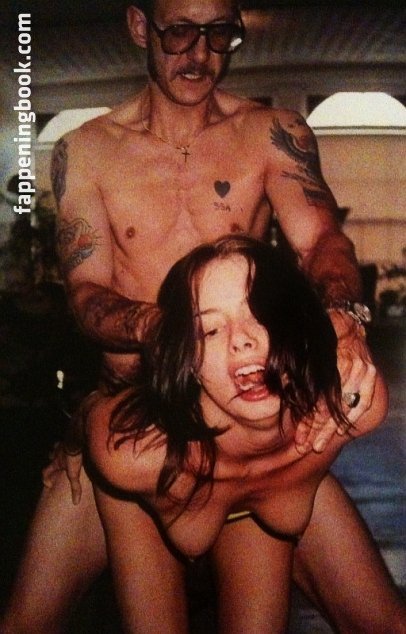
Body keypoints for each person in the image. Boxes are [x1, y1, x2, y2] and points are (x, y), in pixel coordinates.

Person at [1, 0, 401, 632]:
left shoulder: (272, 133)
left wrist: (343, 317)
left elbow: (323, 240)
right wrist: (169, 336)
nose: (200, 53)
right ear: (140, 27)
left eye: (220, 34)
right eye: (180, 32)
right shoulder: (87, 149)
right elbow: (86, 295)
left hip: (254, 432)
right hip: (142, 431)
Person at [87, 234, 391, 634]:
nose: (241, 339)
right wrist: (80, 426)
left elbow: (325, 240)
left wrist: (347, 325)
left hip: (257, 503)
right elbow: (96, 419)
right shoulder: (131, 450)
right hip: (146, 490)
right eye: (210, 330)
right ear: (187, 360)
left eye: (260, 315)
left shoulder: (352, 402)